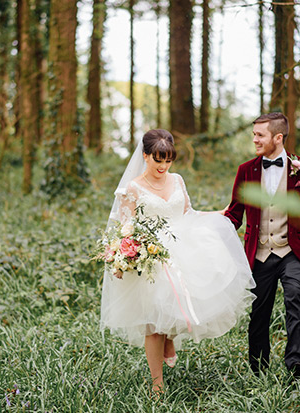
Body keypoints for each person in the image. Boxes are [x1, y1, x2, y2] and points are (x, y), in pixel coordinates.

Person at [100, 129, 256, 394]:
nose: (163, 166)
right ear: (145, 156)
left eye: (168, 161)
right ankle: (157, 384)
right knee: (152, 322)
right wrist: (119, 256)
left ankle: (170, 338)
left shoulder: (178, 180)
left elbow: (188, 212)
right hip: (151, 253)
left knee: (183, 304)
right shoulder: (132, 188)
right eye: (158, 160)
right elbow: (124, 225)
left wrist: (219, 214)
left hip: (184, 245)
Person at [224, 112, 300, 379]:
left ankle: (296, 365)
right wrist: (212, 235)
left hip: (294, 251)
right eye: (254, 134)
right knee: (259, 314)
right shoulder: (246, 170)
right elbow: (235, 213)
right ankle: (259, 369)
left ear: (278, 137)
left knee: (295, 300)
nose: (254, 139)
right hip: (260, 253)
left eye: (260, 135)